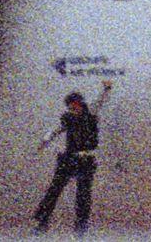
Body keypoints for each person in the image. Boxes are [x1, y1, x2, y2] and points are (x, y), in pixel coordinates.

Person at [33, 79, 112, 237]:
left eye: (74, 104)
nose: (72, 107)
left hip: (86, 160)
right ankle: (42, 221)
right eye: (69, 105)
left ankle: (81, 226)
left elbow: (100, 100)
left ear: (80, 103)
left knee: (83, 194)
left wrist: (106, 89)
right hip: (68, 158)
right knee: (54, 189)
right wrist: (44, 141)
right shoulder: (67, 118)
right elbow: (55, 130)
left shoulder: (91, 112)